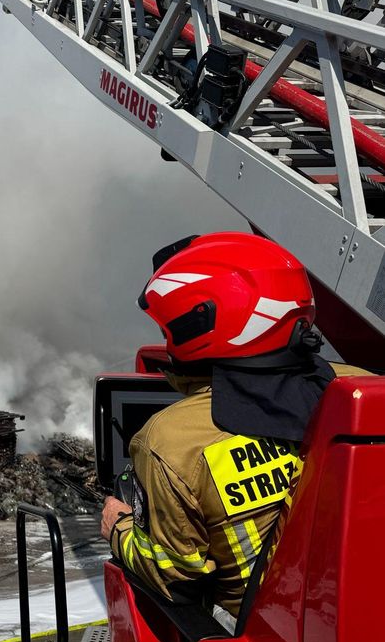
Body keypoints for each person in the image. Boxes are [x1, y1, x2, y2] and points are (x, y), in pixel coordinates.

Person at [100, 232, 367, 621]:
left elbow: (175, 576)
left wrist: (120, 527)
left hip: (268, 631)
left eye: (168, 329)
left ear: (199, 324)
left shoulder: (169, 441)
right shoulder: (362, 388)